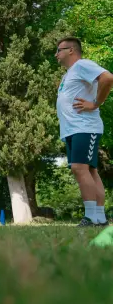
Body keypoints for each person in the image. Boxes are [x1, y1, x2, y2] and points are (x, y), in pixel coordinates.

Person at [55, 37, 113, 226]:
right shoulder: (69, 74)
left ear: (71, 50)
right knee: (90, 170)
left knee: (79, 168)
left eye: (59, 50)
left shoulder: (82, 65)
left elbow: (108, 78)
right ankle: (99, 218)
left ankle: (90, 217)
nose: (56, 55)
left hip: (84, 127)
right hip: (72, 130)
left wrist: (95, 103)